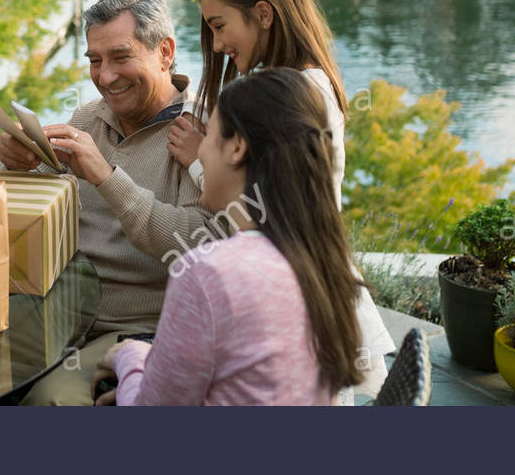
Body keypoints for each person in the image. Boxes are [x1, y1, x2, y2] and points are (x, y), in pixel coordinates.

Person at [166, 0, 395, 399]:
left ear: (264, 14)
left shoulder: (300, 93)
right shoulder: (294, 83)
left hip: (298, 294)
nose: (215, 46)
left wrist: (198, 161)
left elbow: (271, 202)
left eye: (219, 26)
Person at [94, 69, 365, 405]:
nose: (201, 151)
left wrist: (131, 357)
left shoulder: (208, 273)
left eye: (209, 136)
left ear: (237, 147)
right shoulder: (319, 260)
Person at [1, 0, 217, 406]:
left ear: (165, 52)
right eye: (95, 61)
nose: (104, 77)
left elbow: (201, 243)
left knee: (47, 401)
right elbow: (42, 199)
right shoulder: (88, 117)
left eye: (120, 57)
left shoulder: (200, 130)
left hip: (137, 330)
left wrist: (107, 177)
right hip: (58, 315)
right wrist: (17, 162)